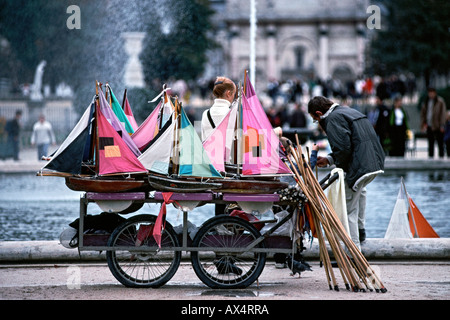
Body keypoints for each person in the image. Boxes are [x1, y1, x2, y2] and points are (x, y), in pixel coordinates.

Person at [307, 96, 385, 250]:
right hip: (374, 162)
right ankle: (361, 231)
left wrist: (340, 168)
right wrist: (329, 160)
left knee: (349, 210)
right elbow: (351, 143)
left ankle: (353, 252)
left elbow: (343, 149)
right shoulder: (347, 111)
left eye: (316, 119)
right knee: (361, 192)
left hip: (361, 165)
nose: (318, 123)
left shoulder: (333, 119)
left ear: (318, 113)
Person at [201, 76, 236, 141]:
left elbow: (204, 140)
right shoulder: (233, 114)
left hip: (209, 150)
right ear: (228, 93)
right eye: (234, 93)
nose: (234, 97)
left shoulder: (205, 114)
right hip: (226, 151)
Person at [420, 87, 447, 158]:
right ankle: (430, 157)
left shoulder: (440, 101)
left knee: (440, 143)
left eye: (432, 93)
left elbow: (443, 114)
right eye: (430, 93)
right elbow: (423, 113)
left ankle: (441, 157)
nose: (431, 94)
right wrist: (423, 124)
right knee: (430, 143)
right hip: (429, 125)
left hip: (438, 125)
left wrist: (442, 125)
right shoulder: (426, 102)